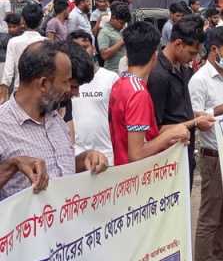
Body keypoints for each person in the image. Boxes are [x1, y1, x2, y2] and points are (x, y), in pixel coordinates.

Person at [0, 41, 108, 200]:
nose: (68, 90)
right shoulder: (3, 125)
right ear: (43, 84)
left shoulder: (57, 120)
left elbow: (61, 171)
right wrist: (13, 165)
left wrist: (85, 159)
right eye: (65, 82)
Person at [190, 26, 223, 261]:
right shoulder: (199, 80)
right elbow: (195, 119)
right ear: (214, 49)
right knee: (210, 217)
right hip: (212, 156)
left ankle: (221, 257)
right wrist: (220, 109)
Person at [108, 21, 190, 166]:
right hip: (137, 175)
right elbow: (136, 154)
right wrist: (168, 136)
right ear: (154, 56)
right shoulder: (138, 93)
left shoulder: (119, 84)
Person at [148, 16, 212, 189]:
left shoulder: (184, 69)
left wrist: (195, 115)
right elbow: (155, 129)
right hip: (167, 160)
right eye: (191, 53)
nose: (192, 58)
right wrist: (195, 121)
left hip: (185, 154)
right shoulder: (158, 75)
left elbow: (180, 111)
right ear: (178, 44)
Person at [68, 30, 119, 166]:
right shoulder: (64, 82)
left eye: (85, 47)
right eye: (77, 48)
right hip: (76, 157)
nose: (82, 52)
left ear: (94, 49)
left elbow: (118, 117)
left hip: (107, 154)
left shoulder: (111, 78)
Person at [0, 4, 47, 102]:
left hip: (20, 92)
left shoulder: (14, 42)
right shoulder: (47, 42)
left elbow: (8, 73)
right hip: (42, 93)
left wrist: (3, 96)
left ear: (23, 21)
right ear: (41, 21)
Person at [98, 2, 129, 73]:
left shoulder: (120, 31)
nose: (123, 26)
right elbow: (104, 55)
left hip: (123, 70)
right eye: (121, 23)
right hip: (112, 71)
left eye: (124, 24)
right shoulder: (104, 32)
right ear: (113, 18)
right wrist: (121, 42)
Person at [0, 13, 22, 80]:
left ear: (20, 26)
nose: (11, 29)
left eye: (14, 27)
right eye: (9, 27)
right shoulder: (4, 39)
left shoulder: (22, 39)